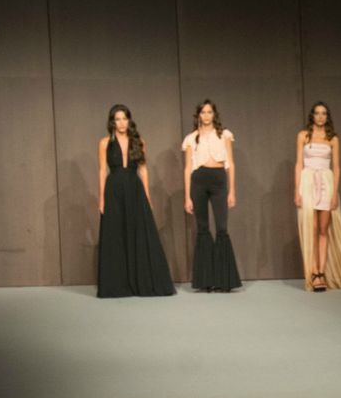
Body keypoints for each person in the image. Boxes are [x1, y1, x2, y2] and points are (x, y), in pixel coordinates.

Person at [96, 105, 175, 298]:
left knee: (137, 233)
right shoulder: (105, 143)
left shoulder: (139, 141)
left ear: (129, 120)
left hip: (134, 189)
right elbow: (102, 171)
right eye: (118, 119)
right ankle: (117, 285)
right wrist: (102, 198)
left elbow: (143, 169)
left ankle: (141, 282)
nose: (121, 123)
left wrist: (147, 196)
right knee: (116, 234)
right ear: (112, 122)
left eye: (124, 118)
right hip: (114, 190)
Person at [294, 102, 341, 292]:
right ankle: (313, 273)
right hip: (308, 182)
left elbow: (336, 167)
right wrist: (297, 190)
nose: (320, 116)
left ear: (327, 117)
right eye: (317, 113)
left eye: (324, 113)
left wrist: (335, 193)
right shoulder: (303, 136)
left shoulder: (332, 138)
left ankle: (321, 272)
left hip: (326, 184)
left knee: (323, 229)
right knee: (311, 228)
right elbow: (298, 164)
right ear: (312, 115)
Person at [182, 100, 242, 293]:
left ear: (214, 114)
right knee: (203, 228)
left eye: (209, 112)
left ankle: (224, 280)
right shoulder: (191, 138)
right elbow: (187, 168)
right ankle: (205, 280)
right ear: (198, 115)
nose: (206, 115)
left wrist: (232, 191)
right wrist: (187, 197)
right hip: (198, 181)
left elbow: (230, 163)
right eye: (203, 112)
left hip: (218, 180)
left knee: (222, 228)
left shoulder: (224, 134)